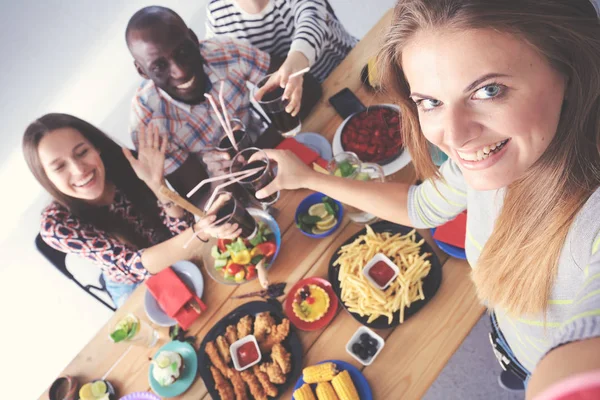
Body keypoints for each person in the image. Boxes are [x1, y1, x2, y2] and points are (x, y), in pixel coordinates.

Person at [253, 0, 600, 397]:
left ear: (569, 69)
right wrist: (305, 176)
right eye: (430, 102)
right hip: (513, 341)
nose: (452, 136)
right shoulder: (489, 160)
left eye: (489, 90)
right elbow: (419, 206)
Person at [24, 114, 241, 307]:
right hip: (135, 284)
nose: (79, 170)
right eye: (59, 167)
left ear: (96, 147)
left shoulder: (126, 165)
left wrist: (157, 185)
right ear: (46, 178)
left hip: (177, 247)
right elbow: (135, 266)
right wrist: (199, 232)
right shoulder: (56, 225)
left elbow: (178, 230)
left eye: (82, 152)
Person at [126, 6, 273, 201]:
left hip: (270, 151)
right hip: (228, 197)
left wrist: (263, 154)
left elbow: (300, 87)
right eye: (159, 65)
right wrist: (220, 178)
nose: (181, 72)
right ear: (142, 71)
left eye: (183, 51)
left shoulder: (225, 52)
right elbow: (200, 201)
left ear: (194, 39)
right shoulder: (148, 121)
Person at [205, 0, 357, 107]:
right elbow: (220, 69)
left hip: (346, 66)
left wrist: (293, 66)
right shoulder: (217, 14)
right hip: (304, 100)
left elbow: (312, 17)